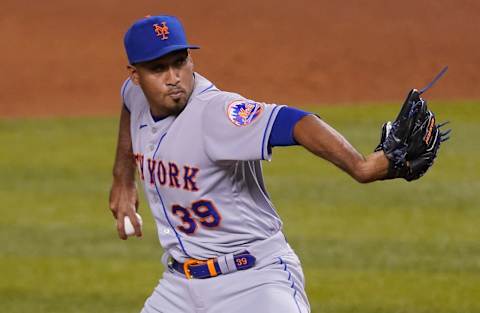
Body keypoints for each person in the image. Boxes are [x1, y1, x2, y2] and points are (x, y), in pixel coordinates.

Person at [109, 15, 446, 313]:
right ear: (136, 75)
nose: (173, 78)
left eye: (179, 62)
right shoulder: (136, 94)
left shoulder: (215, 113)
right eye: (157, 69)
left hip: (252, 283)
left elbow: (295, 122)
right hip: (178, 288)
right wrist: (123, 179)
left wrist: (362, 167)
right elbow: (129, 104)